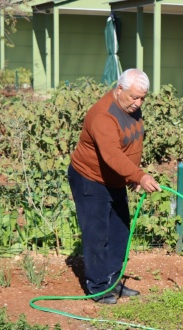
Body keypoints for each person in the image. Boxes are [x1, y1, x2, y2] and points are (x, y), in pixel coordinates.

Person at [67, 68, 161, 304]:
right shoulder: (103, 116)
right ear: (120, 89)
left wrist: (129, 176)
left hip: (114, 179)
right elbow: (112, 155)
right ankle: (98, 288)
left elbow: (129, 146)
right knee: (97, 234)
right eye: (134, 97)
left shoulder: (131, 109)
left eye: (142, 98)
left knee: (119, 230)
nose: (138, 103)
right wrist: (139, 176)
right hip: (91, 179)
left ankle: (112, 281)